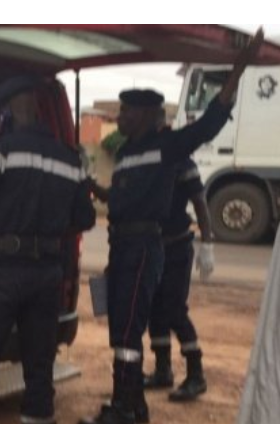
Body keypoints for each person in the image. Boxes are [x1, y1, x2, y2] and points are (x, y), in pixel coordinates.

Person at [81, 28, 264, 424]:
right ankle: (132, 405)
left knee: (130, 330)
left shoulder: (169, 148)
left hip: (146, 249)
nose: (121, 117)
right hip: (121, 248)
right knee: (121, 329)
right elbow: (123, 200)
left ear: (147, 115)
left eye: (127, 112)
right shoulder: (127, 152)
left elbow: (211, 122)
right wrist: (94, 188)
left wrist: (239, 68)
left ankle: (125, 408)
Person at [0, 75, 96, 424]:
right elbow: (85, 217)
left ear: (13, 110)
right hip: (48, 271)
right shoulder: (71, 158)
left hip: (6, 268)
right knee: (39, 363)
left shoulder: (0, 150)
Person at [143, 117, 214, 403]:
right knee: (155, 311)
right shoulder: (151, 162)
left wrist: (208, 242)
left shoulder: (183, 163)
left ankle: (196, 375)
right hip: (154, 247)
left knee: (174, 310)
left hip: (177, 247)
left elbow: (200, 202)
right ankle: (163, 370)